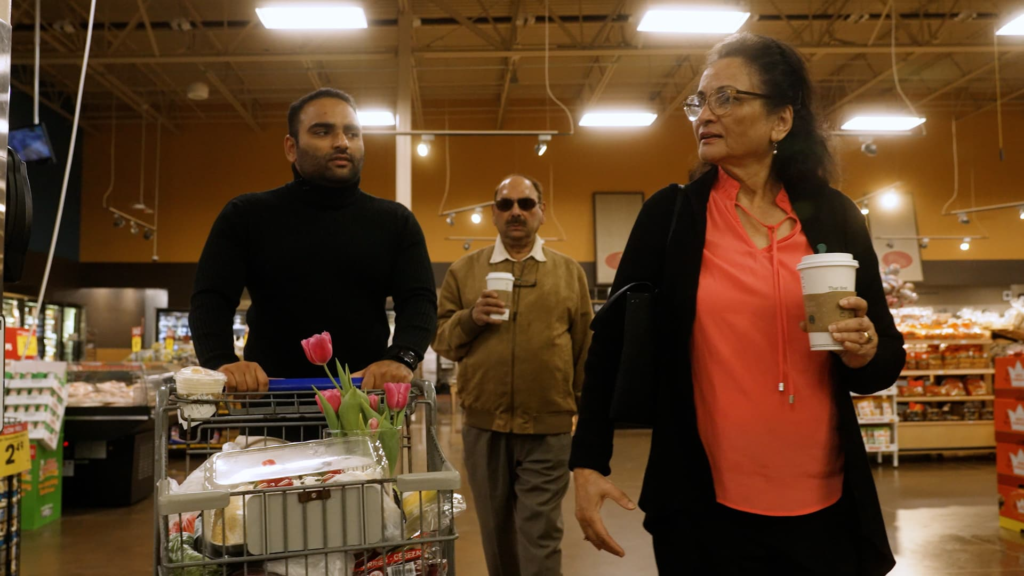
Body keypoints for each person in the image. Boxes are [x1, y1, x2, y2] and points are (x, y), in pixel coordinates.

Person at [570, 33, 905, 575]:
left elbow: (885, 356)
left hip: (826, 504)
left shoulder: (835, 218)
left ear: (780, 121)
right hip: (704, 506)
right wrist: (588, 461)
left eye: (727, 98)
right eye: (700, 101)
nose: (706, 114)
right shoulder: (672, 217)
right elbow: (609, 341)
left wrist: (865, 351)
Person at [190, 88, 437, 393]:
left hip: (366, 407)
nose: (341, 142)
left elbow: (419, 301)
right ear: (291, 148)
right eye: (323, 131)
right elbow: (211, 298)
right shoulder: (245, 216)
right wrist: (221, 361)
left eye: (352, 133)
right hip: (270, 409)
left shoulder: (396, 222)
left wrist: (402, 357)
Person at [433, 175, 593, 576]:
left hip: (549, 429)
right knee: (497, 533)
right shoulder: (464, 271)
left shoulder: (569, 273)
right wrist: (471, 318)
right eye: (505, 205)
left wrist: (585, 416)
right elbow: (442, 340)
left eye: (526, 203)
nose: (516, 212)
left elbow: (585, 351)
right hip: (484, 429)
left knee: (540, 533)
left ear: (541, 211)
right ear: (494, 214)